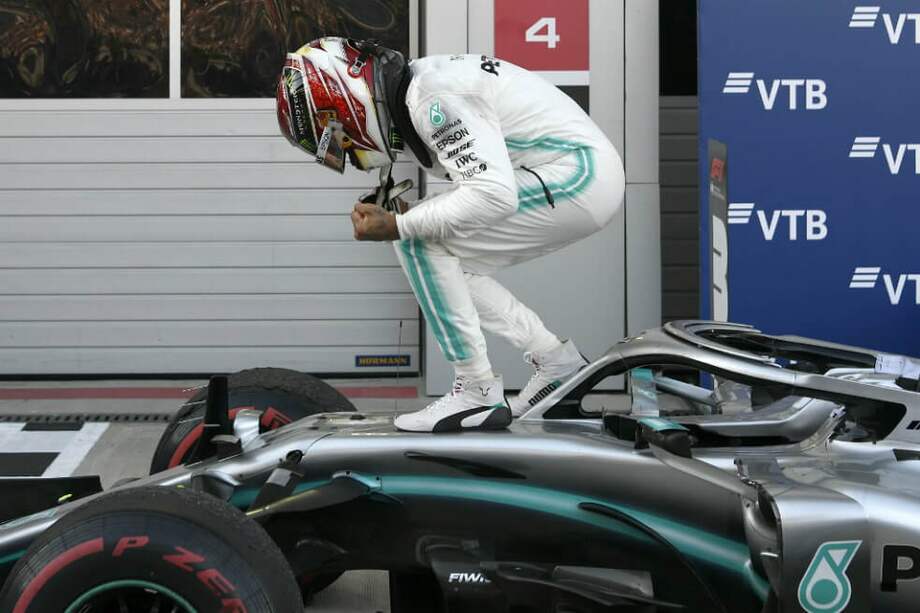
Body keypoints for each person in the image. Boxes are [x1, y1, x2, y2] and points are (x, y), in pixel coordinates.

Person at [276, 37, 625, 433]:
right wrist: (415, 219)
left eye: (336, 135)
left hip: (580, 175)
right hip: (577, 172)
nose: (349, 151)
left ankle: (476, 390)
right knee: (443, 261)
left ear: (344, 101)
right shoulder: (422, 89)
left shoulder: (433, 100)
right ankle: (555, 361)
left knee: (417, 242)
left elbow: (492, 194)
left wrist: (399, 225)